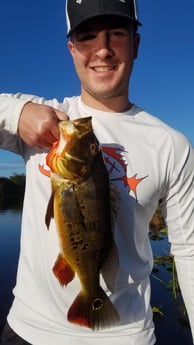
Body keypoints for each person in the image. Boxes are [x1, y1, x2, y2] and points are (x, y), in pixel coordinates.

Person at [0, 0, 193, 344]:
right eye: (87, 37)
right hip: (28, 329)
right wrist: (18, 112)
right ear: (72, 49)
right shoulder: (45, 118)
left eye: (116, 34)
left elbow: (189, 252)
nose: (102, 50)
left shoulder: (171, 145)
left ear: (135, 44)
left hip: (127, 335)